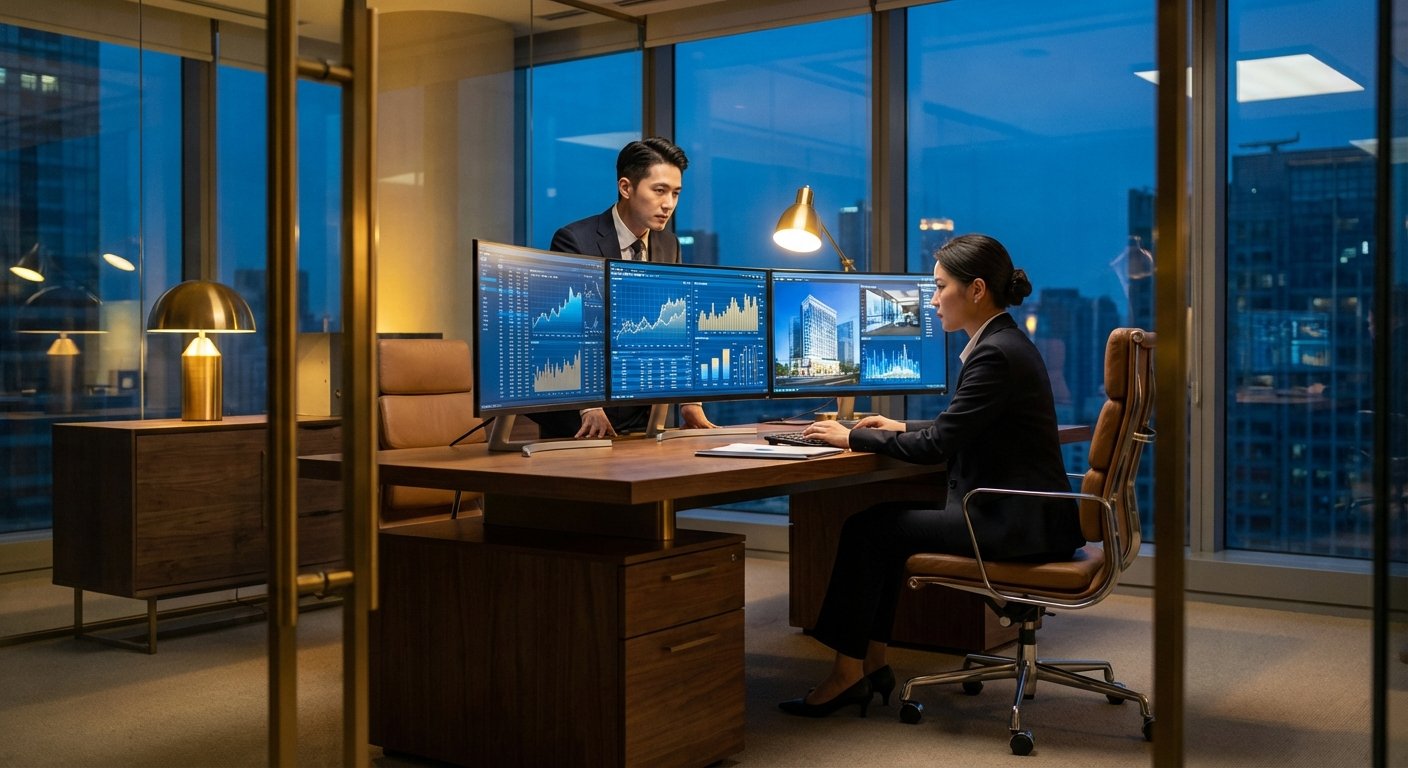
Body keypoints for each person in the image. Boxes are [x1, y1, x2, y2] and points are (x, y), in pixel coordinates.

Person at [778, 233, 1086, 718]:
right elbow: (961, 426)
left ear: (977, 289)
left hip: (1010, 525)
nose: (933, 298)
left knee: (868, 530)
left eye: (940, 286)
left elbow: (938, 446)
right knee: (878, 528)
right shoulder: (1005, 342)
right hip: (1029, 517)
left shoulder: (995, 354)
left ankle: (848, 673)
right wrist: (899, 425)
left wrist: (851, 437)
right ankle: (870, 663)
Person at [529, 137, 717, 439]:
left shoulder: (668, 245)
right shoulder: (575, 240)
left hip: (645, 417)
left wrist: (690, 401)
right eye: (659, 191)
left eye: (675, 193)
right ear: (626, 187)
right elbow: (560, 335)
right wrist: (587, 405)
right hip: (584, 423)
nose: (668, 204)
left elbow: (676, 330)